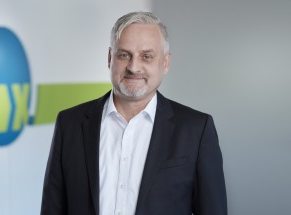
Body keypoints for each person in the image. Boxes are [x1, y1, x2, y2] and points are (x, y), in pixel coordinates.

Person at [41, 11, 227, 215]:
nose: (133, 67)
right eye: (124, 55)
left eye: (146, 56)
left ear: (165, 63)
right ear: (110, 58)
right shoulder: (70, 124)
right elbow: (53, 208)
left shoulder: (196, 129)